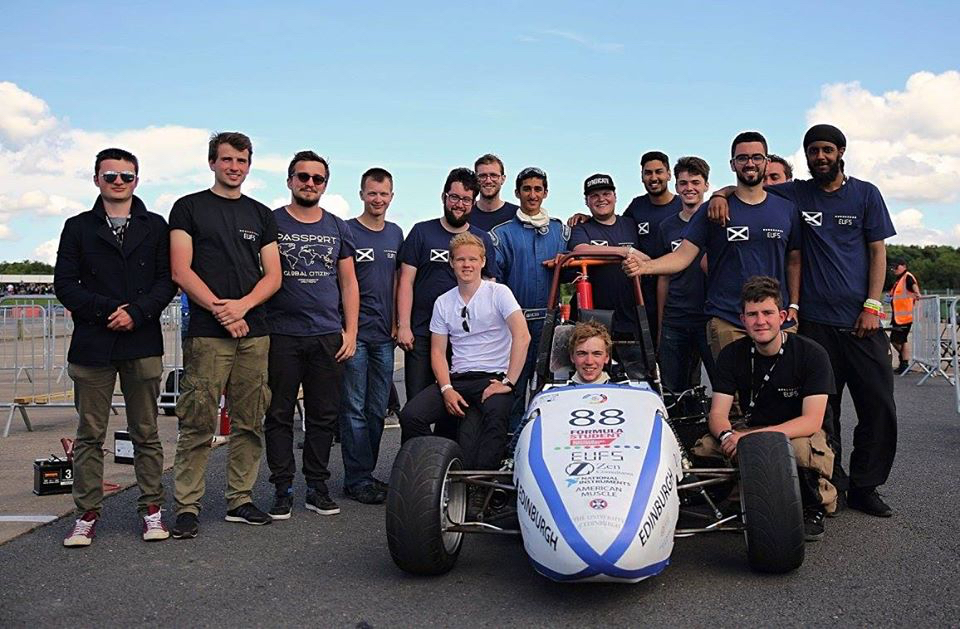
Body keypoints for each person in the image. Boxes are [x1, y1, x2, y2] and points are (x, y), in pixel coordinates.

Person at [708, 123, 899, 517]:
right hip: (813, 324)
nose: (821, 157)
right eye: (813, 151)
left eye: (828, 150)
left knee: (878, 405)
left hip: (861, 320)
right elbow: (750, 184)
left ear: (841, 151)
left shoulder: (866, 194)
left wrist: (872, 305)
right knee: (823, 412)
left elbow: (878, 252)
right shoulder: (795, 193)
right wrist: (718, 192)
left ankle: (866, 487)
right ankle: (830, 482)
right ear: (806, 156)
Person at [56, 148, 177, 547]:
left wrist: (137, 313)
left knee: (146, 432)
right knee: (90, 432)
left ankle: (152, 510)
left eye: (127, 175)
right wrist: (110, 310)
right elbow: (65, 284)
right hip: (93, 343)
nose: (119, 181)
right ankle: (86, 513)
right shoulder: (77, 227)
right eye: (111, 175)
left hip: (141, 340)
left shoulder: (156, 226)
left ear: (137, 180)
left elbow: (167, 280)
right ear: (97, 180)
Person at [169, 132, 282, 538]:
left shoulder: (260, 213)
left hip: (254, 331)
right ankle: (186, 505)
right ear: (212, 162)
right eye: (227, 159)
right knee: (198, 420)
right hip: (207, 333)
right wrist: (222, 310)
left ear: (250, 165)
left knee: (250, 420)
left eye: (242, 160)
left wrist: (243, 307)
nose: (234, 167)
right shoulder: (188, 207)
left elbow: (273, 275)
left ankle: (240, 498)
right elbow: (181, 271)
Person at [626, 132, 801, 361]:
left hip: (777, 319)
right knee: (733, 395)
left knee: (781, 392)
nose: (750, 163)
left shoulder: (786, 209)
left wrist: (794, 305)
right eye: (742, 158)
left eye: (757, 157)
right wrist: (645, 267)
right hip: (728, 318)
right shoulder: (711, 210)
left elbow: (794, 260)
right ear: (732, 164)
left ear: (766, 162)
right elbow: (683, 256)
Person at [695, 276, 837, 541]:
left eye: (768, 313)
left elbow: (812, 421)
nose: (760, 321)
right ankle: (739, 497)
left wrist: (750, 438)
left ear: (782, 316)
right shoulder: (731, 354)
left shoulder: (812, 354)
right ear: (743, 319)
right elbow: (717, 414)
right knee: (705, 447)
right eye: (752, 314)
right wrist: (727, 436)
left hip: (798, 431)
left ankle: (811, 506)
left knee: (797, 451)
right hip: (750, 427)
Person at [263, 151, 359, 519]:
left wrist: (349, 331)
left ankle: (316, 486)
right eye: (302, 176)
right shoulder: (270, 222)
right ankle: (282, 487)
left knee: (323, 415)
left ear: (325, 185)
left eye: (317, 179)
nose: (309, 183)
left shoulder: (337, 226)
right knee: (279, 413)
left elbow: (349, 283)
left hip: (326, 335)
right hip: (281, 335)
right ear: (289, 181)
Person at [399, 232, 529, 473]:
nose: (466, 265)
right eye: (460, 260)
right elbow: (437, 352)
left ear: (482, 261)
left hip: (493, 378)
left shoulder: (499, 293)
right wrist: (446, 389)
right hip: (458, 379)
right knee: (411, 416)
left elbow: (522, 335)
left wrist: (508, 382)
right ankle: (435, 469)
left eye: (472, 259)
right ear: (451, 263)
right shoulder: (443, 302)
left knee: (492, 425)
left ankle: (482, 489)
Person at [396, 168, 497, 404]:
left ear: (473, 203)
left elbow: (490, 286)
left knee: (456, 405)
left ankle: (449, 443)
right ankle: (416, 443)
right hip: (422, 333)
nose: (459, 204)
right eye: (454, 197)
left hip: (464, 339)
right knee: (418, 403)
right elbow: (405, 281)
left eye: (466, 199)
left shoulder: (482, 239)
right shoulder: (422, 232)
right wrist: (404, 325)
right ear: (444, 197)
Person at [338, 167, 404, 505]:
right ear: (362, 194)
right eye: (372, 193)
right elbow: (341, 283)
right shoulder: (346, 230)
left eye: (384, 194)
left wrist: (398, 321)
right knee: (353, 409)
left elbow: (398, 282)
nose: (378, 199)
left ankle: (367, 472)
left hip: (384, 336)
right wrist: (344, 329)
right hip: (356, 336)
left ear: (391, 197)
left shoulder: (395, 234)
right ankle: (356, 478)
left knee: (378, 408)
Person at [490, 166, 568, 431]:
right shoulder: (502, 234)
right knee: (512, 385)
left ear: (545, 193)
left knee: (549, 386)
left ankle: (545, 438)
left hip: (551, 323)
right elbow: (494, 283)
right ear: (517, 192)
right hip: (515, 325)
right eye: (527, 189)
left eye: (538, 189)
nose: (532, 195)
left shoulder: (561, 231)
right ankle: (508, 444)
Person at [569, 174, 647, 371]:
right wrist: (623, 251)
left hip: (632, 321)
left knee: (637, 381)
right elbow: (579, 250)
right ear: (586, 201)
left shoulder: (631, 224)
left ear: (615, 196)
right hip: (595, 323)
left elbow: (649, 257)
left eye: (606, 193)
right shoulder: (582, 228)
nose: (601, 199)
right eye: (594, 195)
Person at [653, 156, 715, 393]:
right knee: (672, 389)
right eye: (684, 183)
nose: (690, 188)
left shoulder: (718, 220)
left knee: (723, 386)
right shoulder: (666, 227)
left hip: (710, 317)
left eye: (696, 182)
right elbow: (663, 276)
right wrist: (661, 323)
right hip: (676, 318)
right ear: (676, 187)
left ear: (706, 185)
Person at [623, 152, 685, 345]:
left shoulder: (683, 205)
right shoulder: (637, 206)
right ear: (642, 176)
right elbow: (614, 225)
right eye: (648, 173)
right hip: (645, 294)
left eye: (659, 172)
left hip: (678, 293)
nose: (653, 177)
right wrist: (586, 219)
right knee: (650, 352)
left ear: (669, 174)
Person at [470, 154, 520, 232]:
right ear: (475, 179)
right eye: (482, 176)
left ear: (503, 179)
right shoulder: (465, 214)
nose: (488, 181)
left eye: (494, 175)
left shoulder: (517, 215)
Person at [888, 258, 921, 375]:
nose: (894, 270)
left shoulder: (907, 276)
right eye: (892, 268)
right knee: (902, 340)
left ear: (903, 266)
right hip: (899, 317)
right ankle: (904, 363)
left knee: (896, 340)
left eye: (896, 267)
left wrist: (917, 293)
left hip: (904, 317)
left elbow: (913, 285)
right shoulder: (899, 280)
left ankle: (905, 362)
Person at [568, 320, 613, 385]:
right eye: (582, 353)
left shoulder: (622, 393)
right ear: (572, 357)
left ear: (606, 357)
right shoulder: (557, 393)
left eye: (597, 354)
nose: (589, 362)